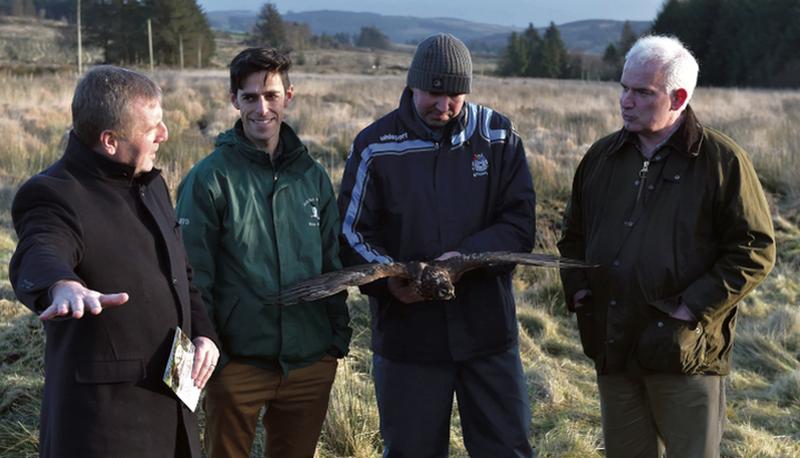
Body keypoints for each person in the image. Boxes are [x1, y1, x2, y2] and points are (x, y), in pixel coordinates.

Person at [558, 35, 776, 457]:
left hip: (684, 351)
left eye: (642, 92)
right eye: (623, 87)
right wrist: (578, 287)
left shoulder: (722, 162)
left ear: (678, 97)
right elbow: (574, 235)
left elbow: (754, 250)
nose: (626, 101)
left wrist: (689, 308)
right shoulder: (601, 157)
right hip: (613, 346)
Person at [338, 33, 536, 457]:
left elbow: (519, 225)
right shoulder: (375, 146)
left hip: (487, 333)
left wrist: (465, 260)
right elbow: (352, 233)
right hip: (408, 340)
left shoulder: (498, 137)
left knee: (506, 448)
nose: (444, 106)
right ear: (412, 84)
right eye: (434, 93)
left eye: (456, 95)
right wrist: (390, 280)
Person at [9, 65, 220, 457]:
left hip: (174, 420)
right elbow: (41, 248)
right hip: (105, 430)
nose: (164, 135)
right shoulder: (54, 193)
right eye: (151, 127)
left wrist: (205, 333)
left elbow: (180, 277)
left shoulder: (151, 184)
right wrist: (61, 284)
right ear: (109, 140)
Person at [176, 48, 352, 458]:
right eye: (250, 97)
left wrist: (335, 341)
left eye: (271, 95)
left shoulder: (313, 177)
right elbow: (191, 274)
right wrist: (215, 354)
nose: (262, 108)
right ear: (234, 99)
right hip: (237, 363)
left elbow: (332, 264)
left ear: (289, 96)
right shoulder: (209, 178)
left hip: (309, 361)